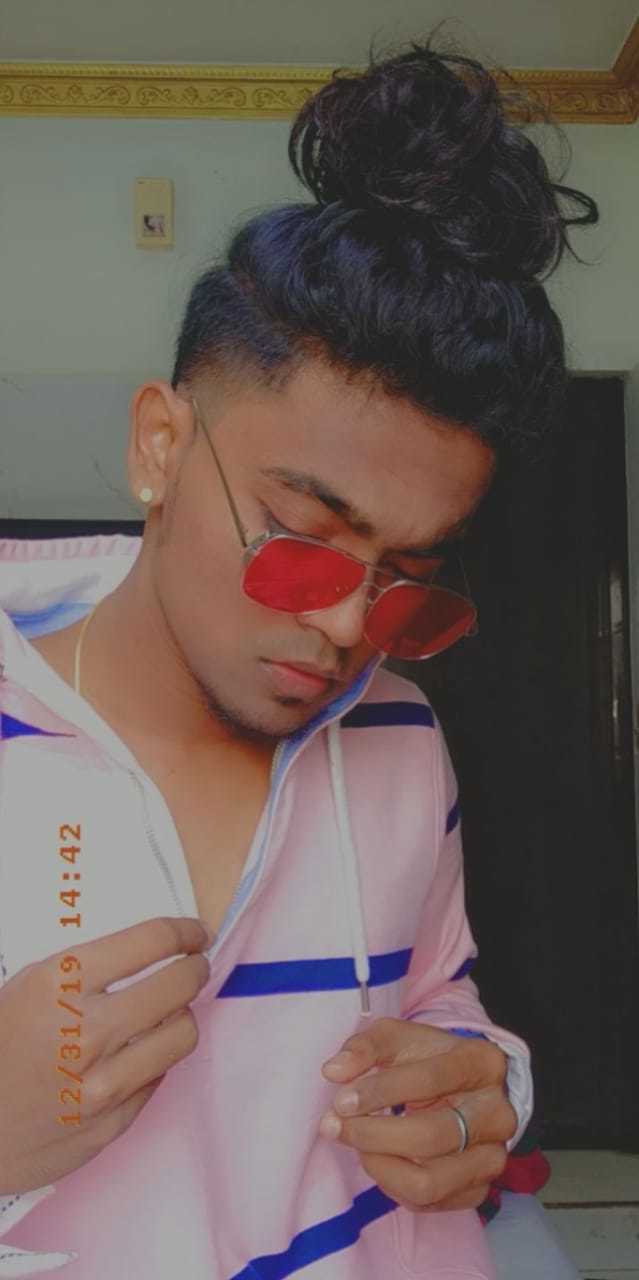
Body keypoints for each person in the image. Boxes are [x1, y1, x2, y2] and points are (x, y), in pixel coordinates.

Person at [0, 36, 596, 1280]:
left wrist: (485, 1081)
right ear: (161, 444)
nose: (345, 630)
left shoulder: (401, 733)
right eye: (304, 542)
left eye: (408, 575)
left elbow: (441, 997)